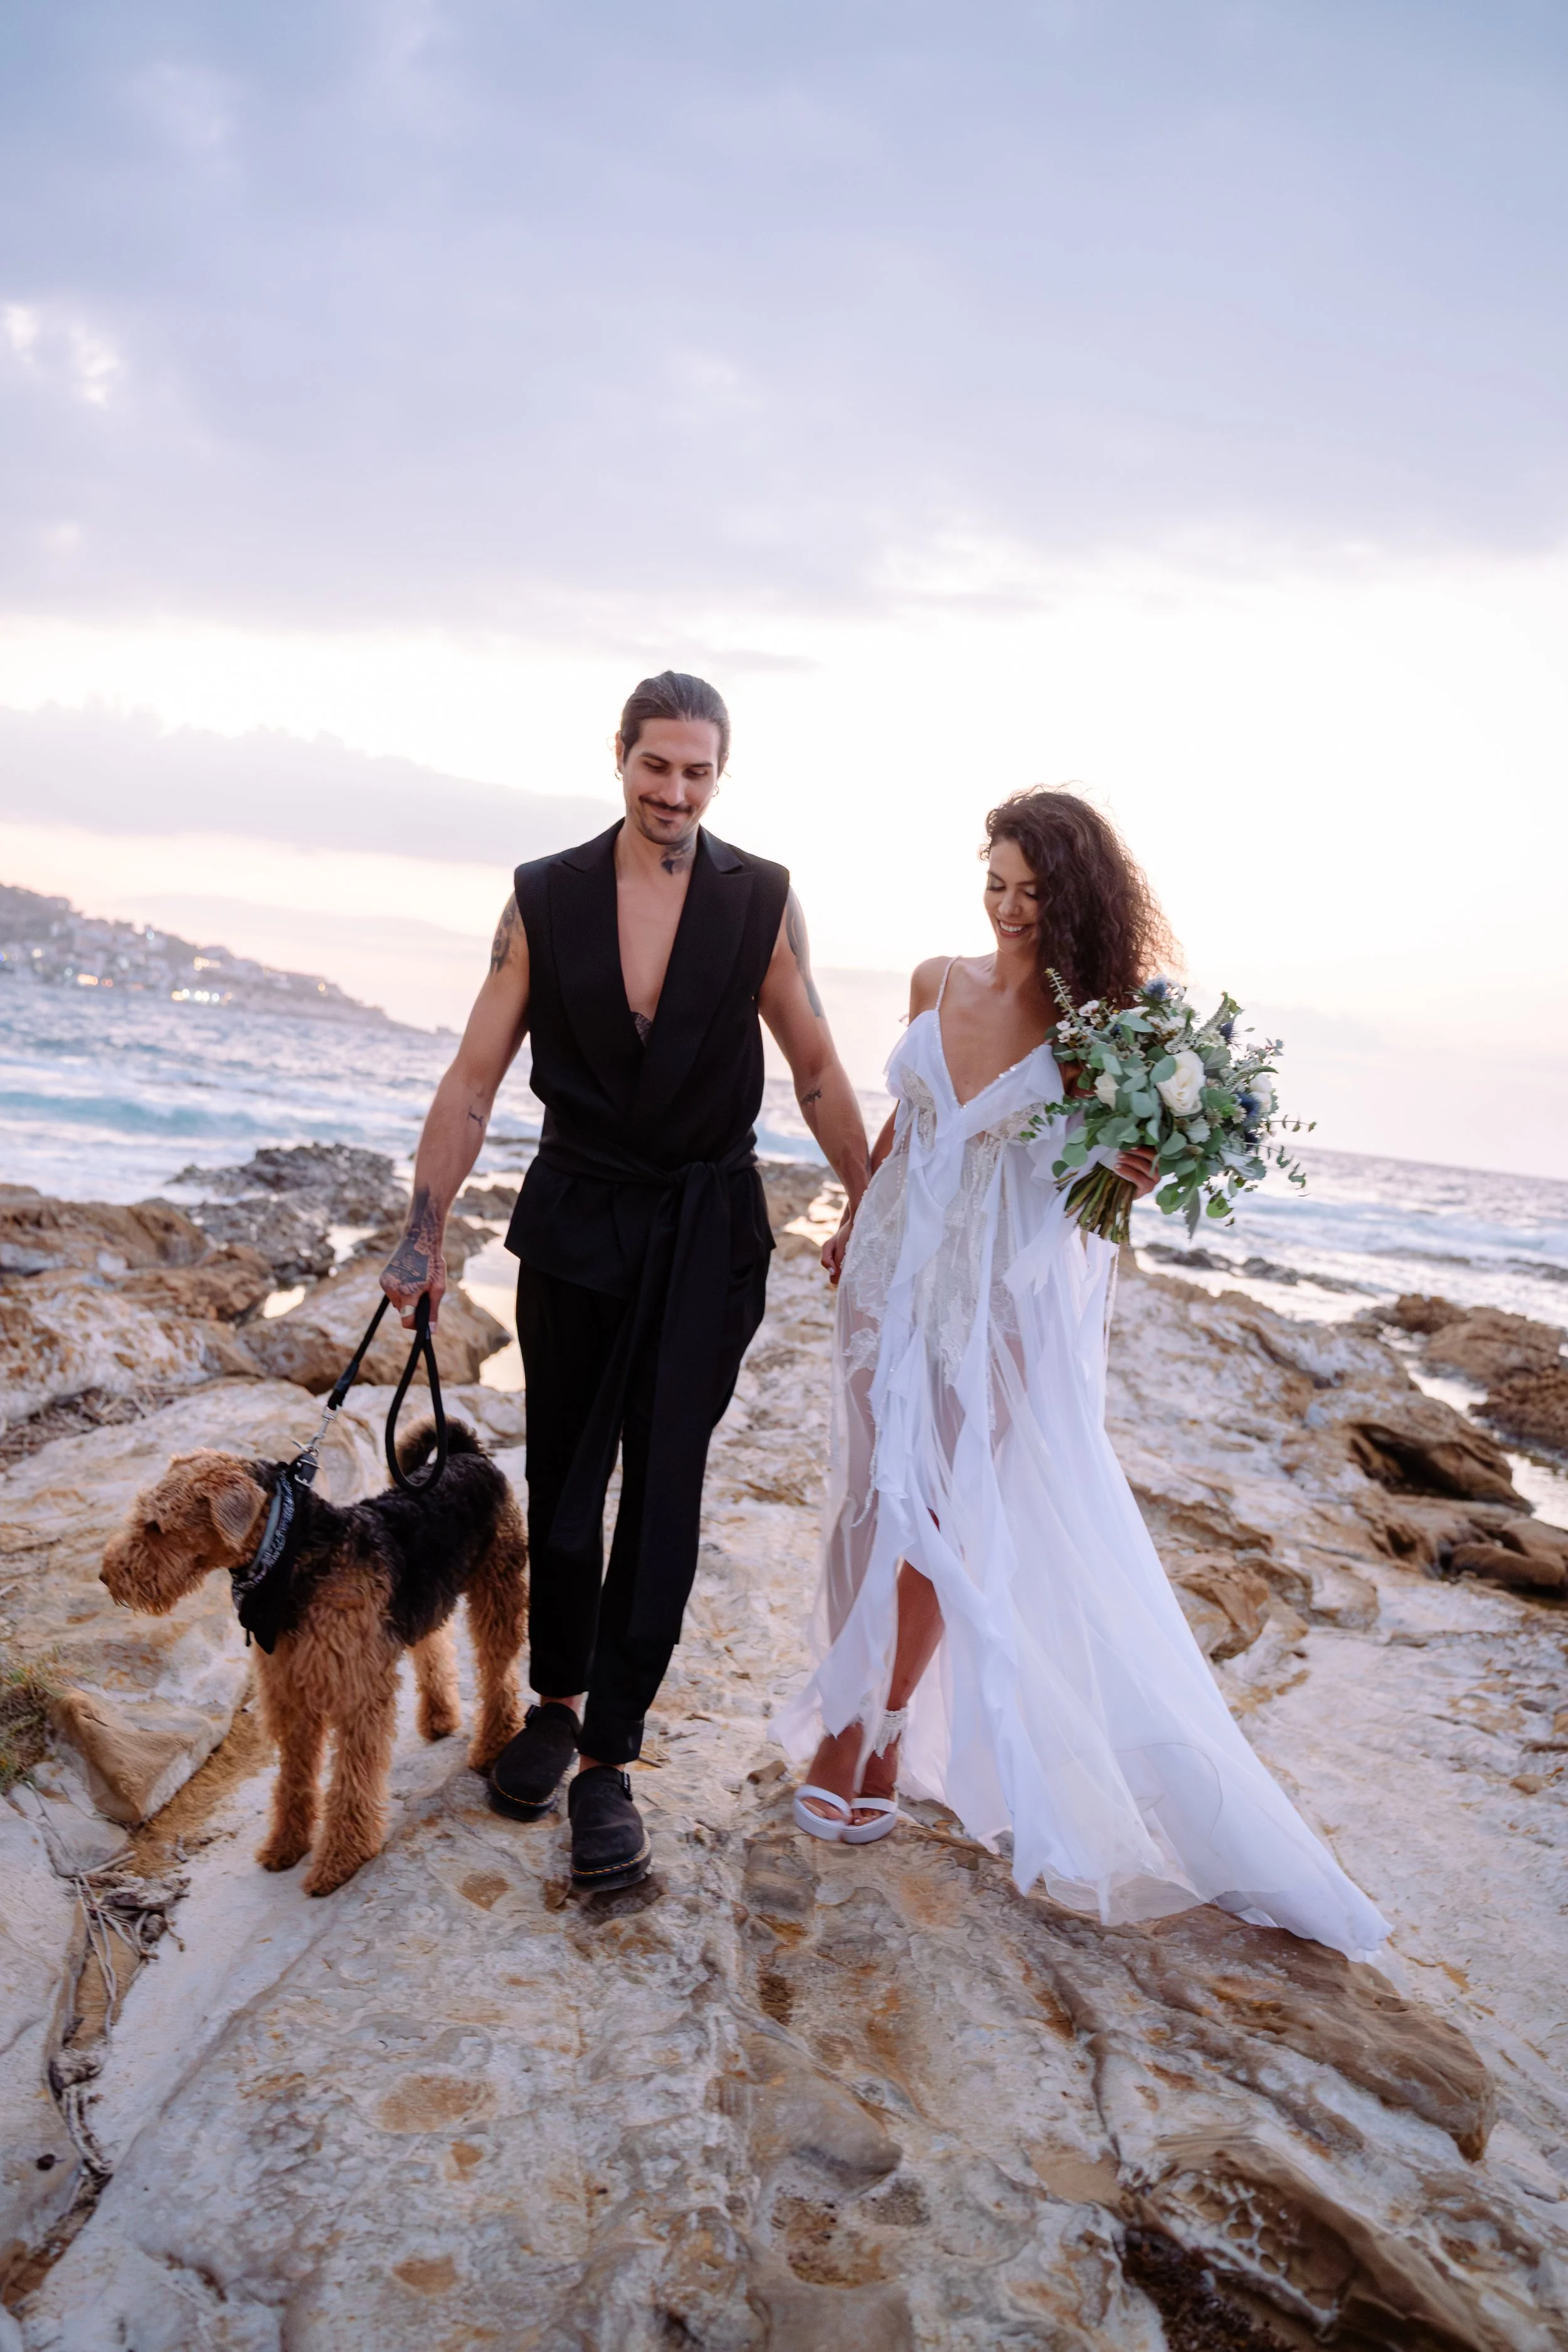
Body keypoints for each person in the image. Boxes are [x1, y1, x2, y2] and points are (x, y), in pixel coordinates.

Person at [773, 788, 1389, 1961]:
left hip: (995, 1297)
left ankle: (887, 1727)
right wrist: (857, 1220)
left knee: (939, 1514)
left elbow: (1097, 1187)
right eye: (995, 884)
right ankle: (843, 1710)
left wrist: (1138, 1170)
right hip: (890, 1272)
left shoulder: (1103, 1034)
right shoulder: (931, 980)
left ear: (1075, 898)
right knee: (868, 1495)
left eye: (1032, 891)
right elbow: (910, 1124)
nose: (1008, 910)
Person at [382, 670, 869, 1891]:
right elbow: (470, 1078)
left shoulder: (761, 901)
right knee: (563, 1479)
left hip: (708, 1227)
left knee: (663, 1487)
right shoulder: (543, 897)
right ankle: (555, 1698)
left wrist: (872, 1194)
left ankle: (608, 1758)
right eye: (657, 766)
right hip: (579, 1219)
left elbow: (812, 1068)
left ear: (719, 774)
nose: (675, 791)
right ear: (620, 759)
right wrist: (422, 1230)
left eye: (697, 771)